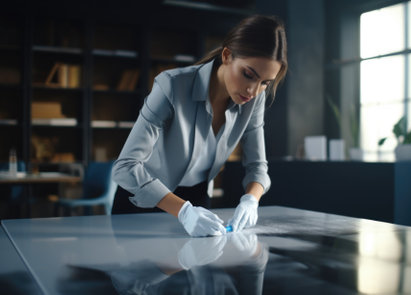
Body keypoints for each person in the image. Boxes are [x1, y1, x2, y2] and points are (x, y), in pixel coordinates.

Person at [111, 14, 288, 237]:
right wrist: (183, 211)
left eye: (265, 83)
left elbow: (258, 167)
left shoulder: (254, 101)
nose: (253, 91)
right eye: (248, 74)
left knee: (196, 267)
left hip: (196, 202)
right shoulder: (172, 85)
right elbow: (125, 167)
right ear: (227, 55)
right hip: (142, 203)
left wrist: (251, 199)